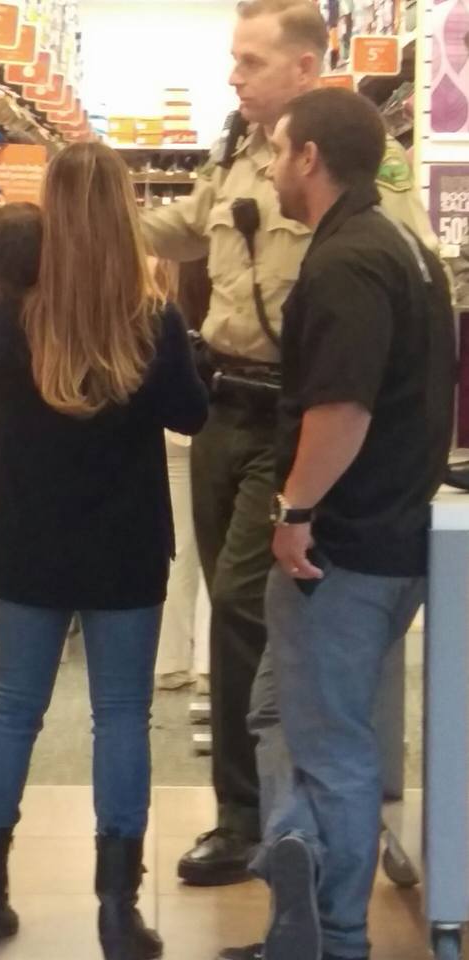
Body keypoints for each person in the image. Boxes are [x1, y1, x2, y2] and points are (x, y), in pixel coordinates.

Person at [142, 0, 437, 887]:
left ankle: (262, 825)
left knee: (244, 605)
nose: (233, 74)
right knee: (241, 617)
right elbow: (186, 226)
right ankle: (267, 817)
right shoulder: (240, 150)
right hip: (220, 403)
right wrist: (79, 221)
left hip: (297, 416)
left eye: (250, 59)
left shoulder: (356, 166)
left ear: (305, 69)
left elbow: (397, 283)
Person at [220, 88, 455, 960]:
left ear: (310, 157)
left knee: (330, 747)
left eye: (279, 152)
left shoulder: (348, 259)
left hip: (339, 547)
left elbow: (343, 409)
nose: (273, 168)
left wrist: (295, 511)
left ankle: (339, 936)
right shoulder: (402, 243)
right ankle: (302, 885)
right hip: (387, 535)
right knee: (282, 713)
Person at [0, 145, 208, 958]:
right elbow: (191, 416)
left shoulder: (3, 312)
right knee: (120, 717)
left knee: (10, 709)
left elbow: (3, 384)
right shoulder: (151, 316)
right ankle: (115, 911)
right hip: (125, 541)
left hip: (30, 537)